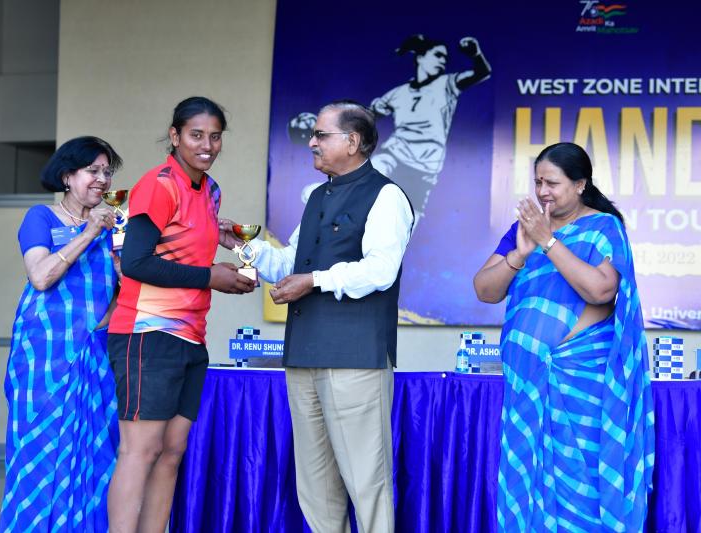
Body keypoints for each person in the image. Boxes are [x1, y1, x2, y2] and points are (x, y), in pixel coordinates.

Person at [222, 100, 414, 532]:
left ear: (353, 141)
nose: (311, 142)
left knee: (366, 482)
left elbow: (380, 271)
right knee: (315, 485)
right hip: (303, 355)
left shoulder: (386, 196)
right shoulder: (316, 196)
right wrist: (239, 244)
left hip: (355, 357)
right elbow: (289, 264)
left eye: (321, 135)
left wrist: (313, 281)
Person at [473, 142, 654, 532]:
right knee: (530, 485)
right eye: (538, 182)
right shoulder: (523, 230)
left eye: (552, 183)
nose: (542, 192)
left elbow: (601, 290)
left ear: (580, 184)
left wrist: (549, 242)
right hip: (527, 386)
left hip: (581, 385)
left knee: (582, 483)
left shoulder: (604, 227)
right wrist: (519, 255)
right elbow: (485, 290)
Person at [105, 96, 254, 533]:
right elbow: (136, 262)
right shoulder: (158, 184)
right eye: (196, 135)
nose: (207, 145)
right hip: (146, 333)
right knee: (141, 450)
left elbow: (184, 249)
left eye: (215, 136)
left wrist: (220, 254)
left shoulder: (210, 191)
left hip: (191, 336)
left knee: (171, 452)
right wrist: (211, 276)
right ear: (174, 136)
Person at [0, 136, 123, 532]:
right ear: (68, 176)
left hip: (95, 355)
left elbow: (124, 288)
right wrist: (88, 232)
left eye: (107, 172)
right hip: (43, 357)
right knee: (37, 452)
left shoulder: (114, 227)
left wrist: (106, 317)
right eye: (93, 170)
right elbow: (40, 276)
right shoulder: (41, 218)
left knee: (96, 455)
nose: (102, 179)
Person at [370, 34, 491, 220]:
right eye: (438, 55)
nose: (443, 61)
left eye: (445, 58)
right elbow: (367, 117)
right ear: (420, 57)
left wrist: (475, 54)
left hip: (425, 167)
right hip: (394, 154)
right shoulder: (398, 93)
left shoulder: (448, 84)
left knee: (408, 225)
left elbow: (482, 72)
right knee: (375, 169)